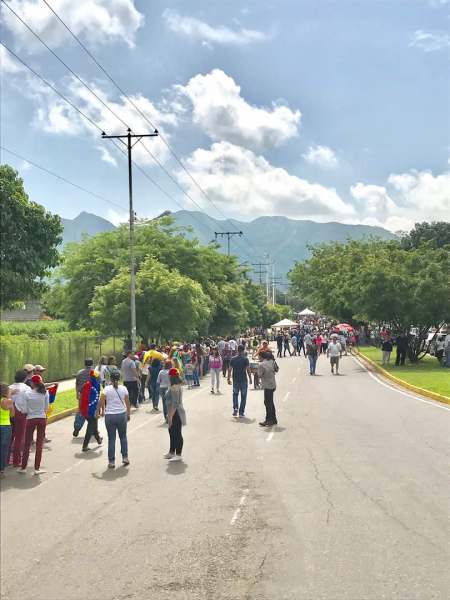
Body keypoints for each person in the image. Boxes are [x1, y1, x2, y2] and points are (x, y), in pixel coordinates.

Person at [99, 370, 130, 469]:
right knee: (123, 437)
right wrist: (128, 414)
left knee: (111, 439)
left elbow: (101, 401)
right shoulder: (124, 388)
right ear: (119, 378)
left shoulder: (106, 389)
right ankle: (125, 457)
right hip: (121, 414)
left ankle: (111, 461)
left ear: (110, 379)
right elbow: (127, 402)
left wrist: (100, 411)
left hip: (110, 416)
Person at [19, 374, 49, 475]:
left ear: (32, 383)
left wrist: (29, 412)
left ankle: (23, 468)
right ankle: (37, 468)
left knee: (27, 443)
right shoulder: (45, 393)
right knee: (39, 444)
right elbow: (46, 408)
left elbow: (23, 409)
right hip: (41, 418)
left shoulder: (27, 394)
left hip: (30, 418)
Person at [165, 368, 186, 462]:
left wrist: (170, 416)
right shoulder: (175, 386)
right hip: (173, 412)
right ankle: (171, 451)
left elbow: (175, 404)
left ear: (171, 376)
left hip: (176, 412)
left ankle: (178, 454)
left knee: (177, 433)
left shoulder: (174, 388)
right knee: (172, 431)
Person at [9, 369, 29, 468]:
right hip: (21, 413)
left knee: (9, 437)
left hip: (8, 413)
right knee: (19, 437)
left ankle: (6, 458)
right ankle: (16, 460)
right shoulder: (26, 388)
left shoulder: (9, 387)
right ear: (25, 378)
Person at [80, 371, 102, 453]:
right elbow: (98, 398)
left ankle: (98, 439)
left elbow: (81, 394)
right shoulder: (97, 385)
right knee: (90, 427)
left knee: (93, 425)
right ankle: (85, 445)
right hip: (93, 410)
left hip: (86, 409)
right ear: (96, 377)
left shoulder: (86, 384)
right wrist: (99, 409)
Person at [227, 345, 252, 417]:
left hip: (235, 380)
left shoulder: (233, 359)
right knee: (243, 397)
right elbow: (248, 369)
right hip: (243, 380)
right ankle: (241, 412)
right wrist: (250, 378)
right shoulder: (245, 359)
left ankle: (235, 408)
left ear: (237, 350)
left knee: (235, 394)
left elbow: (229, 369)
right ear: (243, 350)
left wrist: (228, 378)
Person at [73, 358, 94, 437]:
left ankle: (77, 427)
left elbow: (77, 384)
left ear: (85, 364)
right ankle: (93, 430)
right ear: (92, 364)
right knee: (92, 412)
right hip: (92, 395)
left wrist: (77, 393)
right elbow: (98, 383)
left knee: (81, 411)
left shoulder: (80, 373)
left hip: (82, 395)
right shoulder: (94, 373)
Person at [258, 352, 279, 427]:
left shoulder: (261, 365)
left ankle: (268, 420)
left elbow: (259, 375)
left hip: (267, 386)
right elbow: (277, 369)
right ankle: (273, 419)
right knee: (270, 402)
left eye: (259, 356)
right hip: (273, 384)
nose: (258, 358)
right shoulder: (272, 361)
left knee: (267, 403)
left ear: (262, 357)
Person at [0, 383, 14, 477]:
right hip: (5, 426)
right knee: (3, 449)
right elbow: (12, 415)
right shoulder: (7, 401)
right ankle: (1, 471)